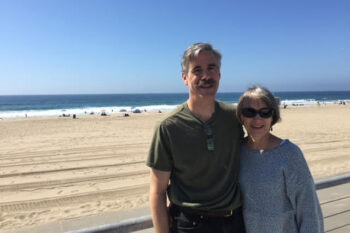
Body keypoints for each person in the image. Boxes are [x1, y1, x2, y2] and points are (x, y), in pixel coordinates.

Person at [147, 43, 245, 233]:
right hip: (190, 225)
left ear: (219, 75)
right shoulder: (168, 127)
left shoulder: (235, 117)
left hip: (236, 222)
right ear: (185, 78)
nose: (206, 76)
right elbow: (157, 192)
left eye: (211, 68)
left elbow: (261, 138)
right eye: (197, 70)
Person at [236, 85, 324, 233]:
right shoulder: (237, 151)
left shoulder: (289, 153)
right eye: (249, 112)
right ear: (241, 116)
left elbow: (309, 211)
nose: (257, 119)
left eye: (265, 112)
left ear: (273, 117)